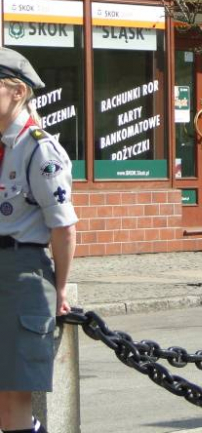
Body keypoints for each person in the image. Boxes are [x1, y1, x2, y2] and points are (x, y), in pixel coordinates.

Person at [0, 48, 78, 433]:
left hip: (22, 274)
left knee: (12, 397)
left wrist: (61, 288)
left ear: (17, 91)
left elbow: (63, 228)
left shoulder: (39, 148)